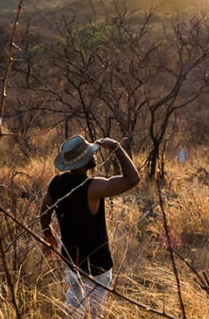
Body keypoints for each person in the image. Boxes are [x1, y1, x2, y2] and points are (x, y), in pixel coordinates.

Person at [40, 135, 140, 318]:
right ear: (85, 162)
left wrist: (47, 234)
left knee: (73, 313)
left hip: (72, 263)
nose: (94, 156)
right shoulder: (92, 187)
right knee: (95, 315)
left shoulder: (56, 184)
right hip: (98, 267)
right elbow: (133, 179)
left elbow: (44, 211)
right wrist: (116, 147)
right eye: (90, 154)